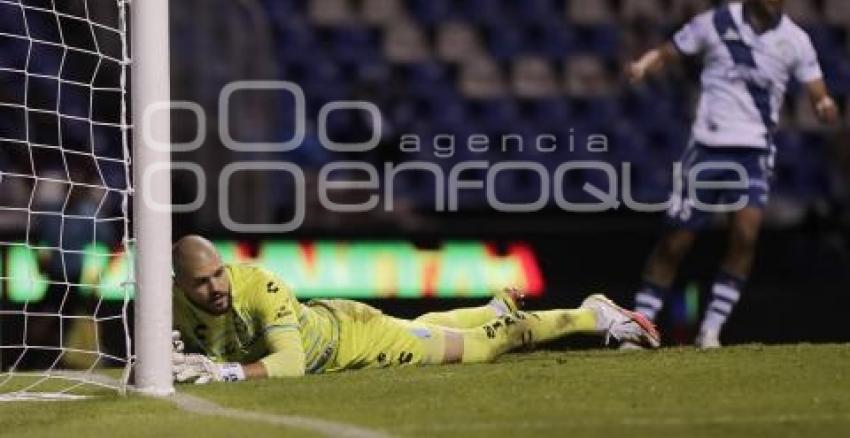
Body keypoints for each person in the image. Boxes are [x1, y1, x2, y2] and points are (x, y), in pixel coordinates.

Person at [625, 0, 838, 348]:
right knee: (676, 242)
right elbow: (672, 50)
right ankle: (638, 326)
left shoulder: (796, 40)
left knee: (745, 236)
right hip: (707, 148)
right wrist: (644, 64)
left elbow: (816, 87)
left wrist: (824, 104)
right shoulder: (715, 23)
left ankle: (711, 330)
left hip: (753, 152)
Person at [171, 235, 659, 383]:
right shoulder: (167, 305)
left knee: (482, 349)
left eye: (219, 273)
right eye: (202, 282)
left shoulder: (259, 285)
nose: (217, 287)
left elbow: (290, 365)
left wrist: (226, 373)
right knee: (423, 325)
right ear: (180, 286)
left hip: (358, 342)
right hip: (343, 319)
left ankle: (595, 315)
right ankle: (491, 306)